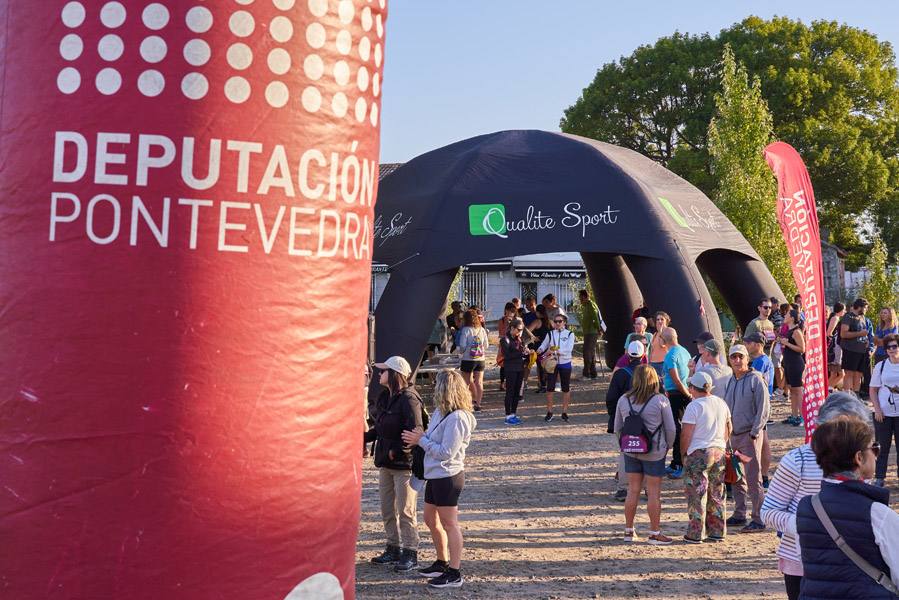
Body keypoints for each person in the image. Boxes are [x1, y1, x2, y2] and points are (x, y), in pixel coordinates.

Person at [761, 392, 871, 600]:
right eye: (839, 428)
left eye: (854, 429)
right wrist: (807, 525)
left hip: (851, 561)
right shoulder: (797, 461)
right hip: (802, 562)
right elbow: (768, 512)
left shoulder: (863, 461)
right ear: (820, 427)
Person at [796, 416, 899, 598]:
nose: (876, 454)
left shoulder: (806, 507)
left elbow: (807, 564)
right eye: (874, 448)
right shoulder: (877, 513)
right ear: (858, 458)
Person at [401, 369, 477, 589]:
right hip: (434, 474)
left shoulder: (458, 418)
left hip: (448, 476)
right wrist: (419, 437)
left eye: (437, 385)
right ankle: (442, 562)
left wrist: (421, 441)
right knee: (430, 519)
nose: (434, 388)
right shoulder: (441, 411)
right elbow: (432, 440)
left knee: (450, 524)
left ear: (445, 388)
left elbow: (446, 452)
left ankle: (454, 572)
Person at [367, 356, 425, 570]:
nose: (379, 374)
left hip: (403, 466)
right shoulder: (385, 397)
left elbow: (416, 432)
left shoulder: (409, 399)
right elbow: (379, 429)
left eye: (383, 371)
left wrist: (394, 452)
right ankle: (393, 548)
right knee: (387, 509)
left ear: (395, 374)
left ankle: (410, 552)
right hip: (386, 464)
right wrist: (361, 437)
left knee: (406, 511)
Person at [614, 365, 677, 545]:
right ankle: (654, 533)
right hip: (654, 451)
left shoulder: (623, 400)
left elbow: (618, 427)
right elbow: (671, 429)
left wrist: (625, 445)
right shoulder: (660, 400)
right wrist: (667, 446)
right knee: (653, 492)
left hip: (631, 450)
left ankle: (629, 530)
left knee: (632, 490)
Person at [722, 344, 770, 533]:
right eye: (733, 357)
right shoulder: (731, 380)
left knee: (753, 478)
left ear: (747, 359)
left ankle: (758, 518)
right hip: (734, 437)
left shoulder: (755, 379)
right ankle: (739, 514)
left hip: (749, 436)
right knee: (736, 477)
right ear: (729, 360)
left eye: (740, 357)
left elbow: (764, 409)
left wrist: (754, 433)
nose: (737, 360)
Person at [681, 371, 732, 543]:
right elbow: (728, 428)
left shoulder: (694, 406)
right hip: (719, 451)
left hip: (698, 452)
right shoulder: (721, 402)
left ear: (694, 388)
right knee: (717, 492)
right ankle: (717, 530)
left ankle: (696, 533)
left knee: (697, 493)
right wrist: (722, 444)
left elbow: (686, 435)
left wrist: (684, 453)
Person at [606, 341, 647, 502]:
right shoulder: (649, 373)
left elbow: (611, 398)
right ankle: (648, 488)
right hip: (647, 420)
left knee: (626, 453)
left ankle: (623, 488)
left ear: (628, 355)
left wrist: (614, 416)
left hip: (625, 419)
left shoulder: (620, 374)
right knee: (648, 453)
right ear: (643, 355)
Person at [661, 327, 691, 479]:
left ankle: (679, 464)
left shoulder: (670, 356)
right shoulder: (685, 351)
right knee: (679, 428)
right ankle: (675, 462)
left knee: (677, 430)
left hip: (677, 395)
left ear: (663, 340)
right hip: (684, 393)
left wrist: (688, 395)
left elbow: (676, 380)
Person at [870, 332, 899, 488]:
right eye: (888, 347)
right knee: (882, 447)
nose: (891, 349)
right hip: (883, 414)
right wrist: (877, 409)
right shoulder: (880, 366)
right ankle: (880, 477)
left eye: (894, 346)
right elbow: (873, 389)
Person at [538, 312, 576, 422]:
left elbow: (568, 349)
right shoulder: (550, 333)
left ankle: (564, 412)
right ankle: (549, 412)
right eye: (555, 321)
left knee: (565, 388)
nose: (558, 323)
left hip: (565, 363)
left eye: (560, 321)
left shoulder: (570, 334)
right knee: (550, 388)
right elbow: (544, 344)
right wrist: (540, 349)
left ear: (564, 322)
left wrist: (555, 351)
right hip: (552, 363)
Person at [500, 317, 533, 424]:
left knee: (517, 392)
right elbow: (508, 356)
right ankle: (508, 416)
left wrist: (527, 352)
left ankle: (513, 414)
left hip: (519, 367)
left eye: (522, 330)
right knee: (509, 392)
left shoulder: (519, 339)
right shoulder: (505, 340)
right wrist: (521, 353)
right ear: (512, 328)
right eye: (518, 329)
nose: (520, 332)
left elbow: (521, 351)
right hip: (510, 368)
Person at [456, 308, 488, 412]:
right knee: (479, 382)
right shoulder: (481, 330)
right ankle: (478, 405)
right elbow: (486, 345)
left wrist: (461, 351)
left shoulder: (466, 330)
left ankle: (467, 403)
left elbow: (462, 345)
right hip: (481, 358)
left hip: (468, 359)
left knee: (466, 382)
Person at [778, 310, 806, 427]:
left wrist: (787, 344)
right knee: (792, 389)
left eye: (787, 315)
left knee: (798, 390)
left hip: (795, 363)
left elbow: (802, 349)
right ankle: (794, 416)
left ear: (792, 318)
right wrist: (781, 342)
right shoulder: (789, 331)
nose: (785, 316)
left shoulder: (796, 331)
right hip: (788, 363)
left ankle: (803, 417)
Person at [840, 298, 870, 397]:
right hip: (850, 349)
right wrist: (859, 334)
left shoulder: (862, 318)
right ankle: (847, 396)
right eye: (865, 307)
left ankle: (856, 396)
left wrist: (866, 340)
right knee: (849, 373)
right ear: (859, 307)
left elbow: (863, 332)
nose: (866, 310)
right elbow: (843, 334)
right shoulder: (848, 317)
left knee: (858, 374)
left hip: (861, 350)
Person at [578, 288, 605, 380]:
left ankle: (587, 374)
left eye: (581, 298)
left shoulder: (590, 304)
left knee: (587, 352)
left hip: (591, 332)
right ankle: (593, 373)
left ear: (585, 297)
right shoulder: (586, 305)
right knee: (591, 353)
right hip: (588, 332)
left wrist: (599, 328)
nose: (580, 300)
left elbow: (595, 317)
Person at [496, 302, 517, 391]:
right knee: (503, 364)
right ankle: (502, 382)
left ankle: (511, 382)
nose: (508, 314)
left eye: (510, 312)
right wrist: (508, 324)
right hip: (504, 344)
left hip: (514, 344)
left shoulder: (517, 320)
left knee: (513, 363)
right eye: (507, 312)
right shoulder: (502, 320)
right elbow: (501, 333)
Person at [826, 302, 846, 392]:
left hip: (834, 347)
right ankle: (829, 388)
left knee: (833, 374)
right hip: (835, 347)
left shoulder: (834, 317)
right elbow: (829, 333)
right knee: (841, 373)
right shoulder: (835, 318)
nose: (845, 312)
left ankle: (828, 389)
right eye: (844, 310)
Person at [531, 304, 550, 393]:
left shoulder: (537, 322)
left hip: (540, 346)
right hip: (550, 346)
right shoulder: (551, 321)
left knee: (541, 366)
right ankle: (550, 384)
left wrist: (533, 338)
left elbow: (526, 331)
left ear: (538, 312)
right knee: (549, 365)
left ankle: (543, 385)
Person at [648, 312, 670, 378]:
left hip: (662, 363)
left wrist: (660, 330)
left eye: (662, 319)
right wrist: (649, 362)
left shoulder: (668, 332)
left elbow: (662, 344)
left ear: (666, 321)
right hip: (653, 363)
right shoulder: (655, 334)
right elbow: (652, 349)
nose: (659, 321)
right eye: (658, 320)